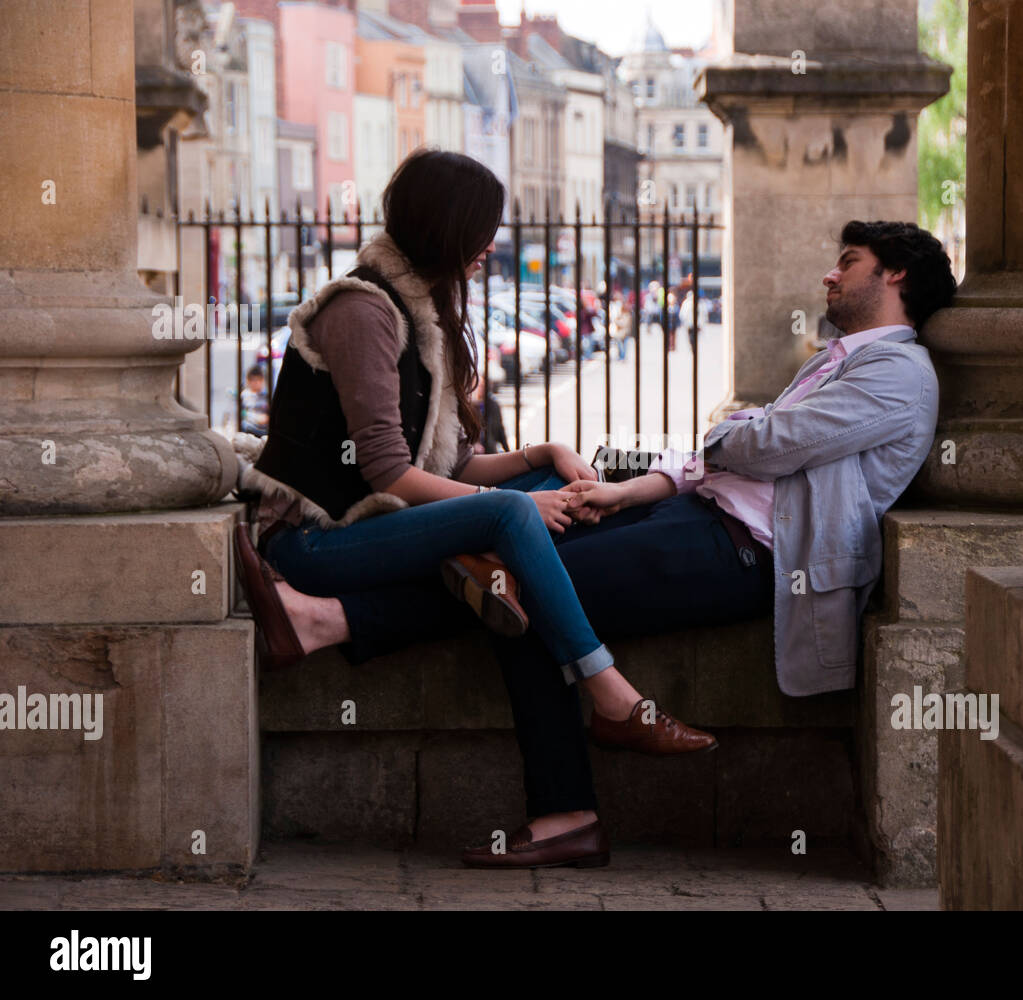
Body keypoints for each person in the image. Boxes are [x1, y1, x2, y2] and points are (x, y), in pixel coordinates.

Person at [232, 150, 715, 870]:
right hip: (313, 540)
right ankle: (611, 696)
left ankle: (562, 784)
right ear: (448, 229)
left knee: (550, 517)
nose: (493, 245)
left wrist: (543, 456)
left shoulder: (425, 313)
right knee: (513, 521)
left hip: (375, 525)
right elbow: (389, 470)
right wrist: (511, 504)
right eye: (485, 229)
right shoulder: (361, 310)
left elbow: (449, 469)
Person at [480, 220, 956, 865]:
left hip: (745, 551)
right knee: (515, 542)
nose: (830, 275)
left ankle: (569, 813)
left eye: (848, 262)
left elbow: (766, 445)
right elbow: (754, 448)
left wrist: (734, 430)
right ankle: (338, 615)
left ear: (895, 274)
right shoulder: (841, 360)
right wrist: (633, 488)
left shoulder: (900, 373)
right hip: (694, 514)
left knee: (524, 592)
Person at [239, 366, 269, 436]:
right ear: (248, 381)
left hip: (265, 429)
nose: (256, 383)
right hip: (249, 428)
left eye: (259, 380)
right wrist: (256, 418)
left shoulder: (267, 396)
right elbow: (241, 413)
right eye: (253, 380)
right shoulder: (244, 396)